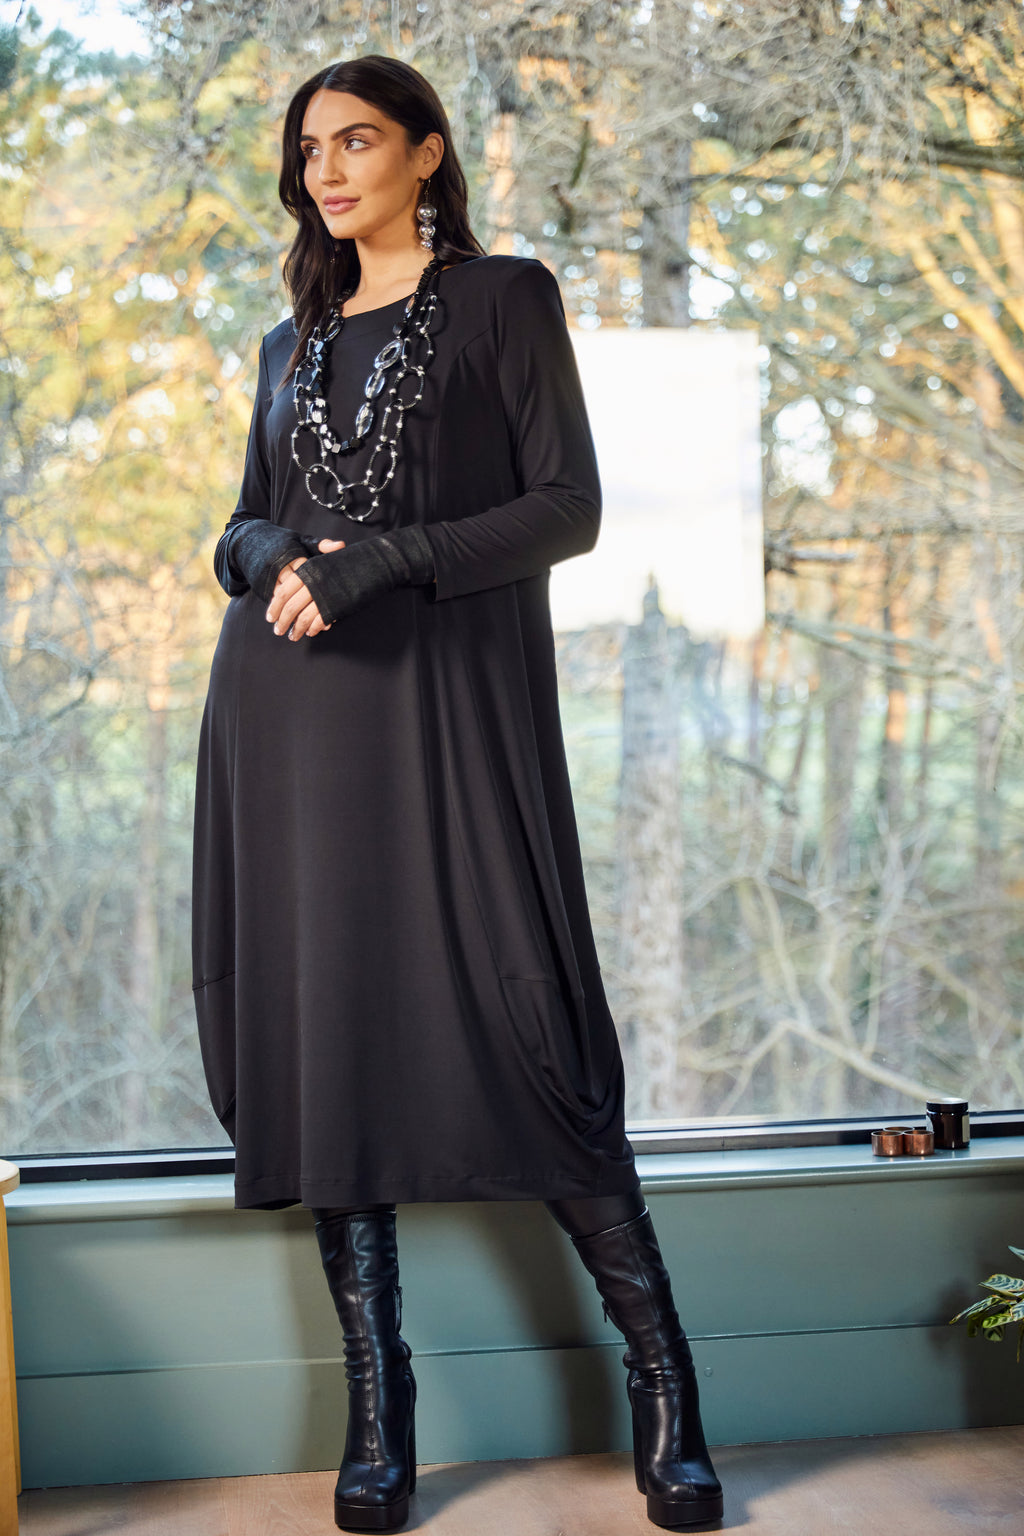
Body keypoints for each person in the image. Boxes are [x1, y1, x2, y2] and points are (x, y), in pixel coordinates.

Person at [192, 52, 722, 1534]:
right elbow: (243, 520)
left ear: (427, 152)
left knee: (527, 1015)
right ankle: (381, 1413)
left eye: (357, 141)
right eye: (309, 151)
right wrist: (264, 555)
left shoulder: (503, 300)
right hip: (293, 721)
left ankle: (667, 1387)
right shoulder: (288, 341)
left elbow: (568, 507)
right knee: (328, 1030)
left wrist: (383, 562)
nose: (327, 171)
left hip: (448, 711)